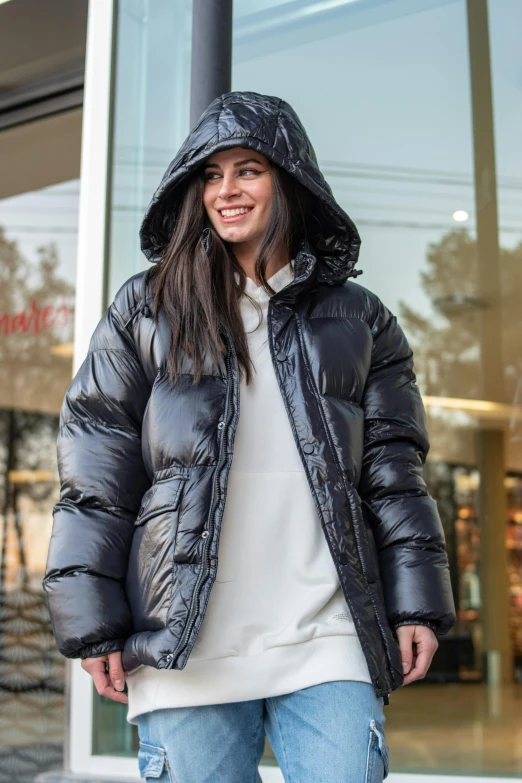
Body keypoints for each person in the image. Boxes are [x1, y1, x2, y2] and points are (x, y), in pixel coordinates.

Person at [43, 91, 456, 783]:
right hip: (186, 642)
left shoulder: (361, 320)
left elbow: (394, 471)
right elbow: (97, 466)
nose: (226, 190)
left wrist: (416, 602)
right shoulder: (146, 308)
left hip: (325, 634)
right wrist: (94, 621)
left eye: (248, 170)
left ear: (288, 180)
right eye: (210, 174)